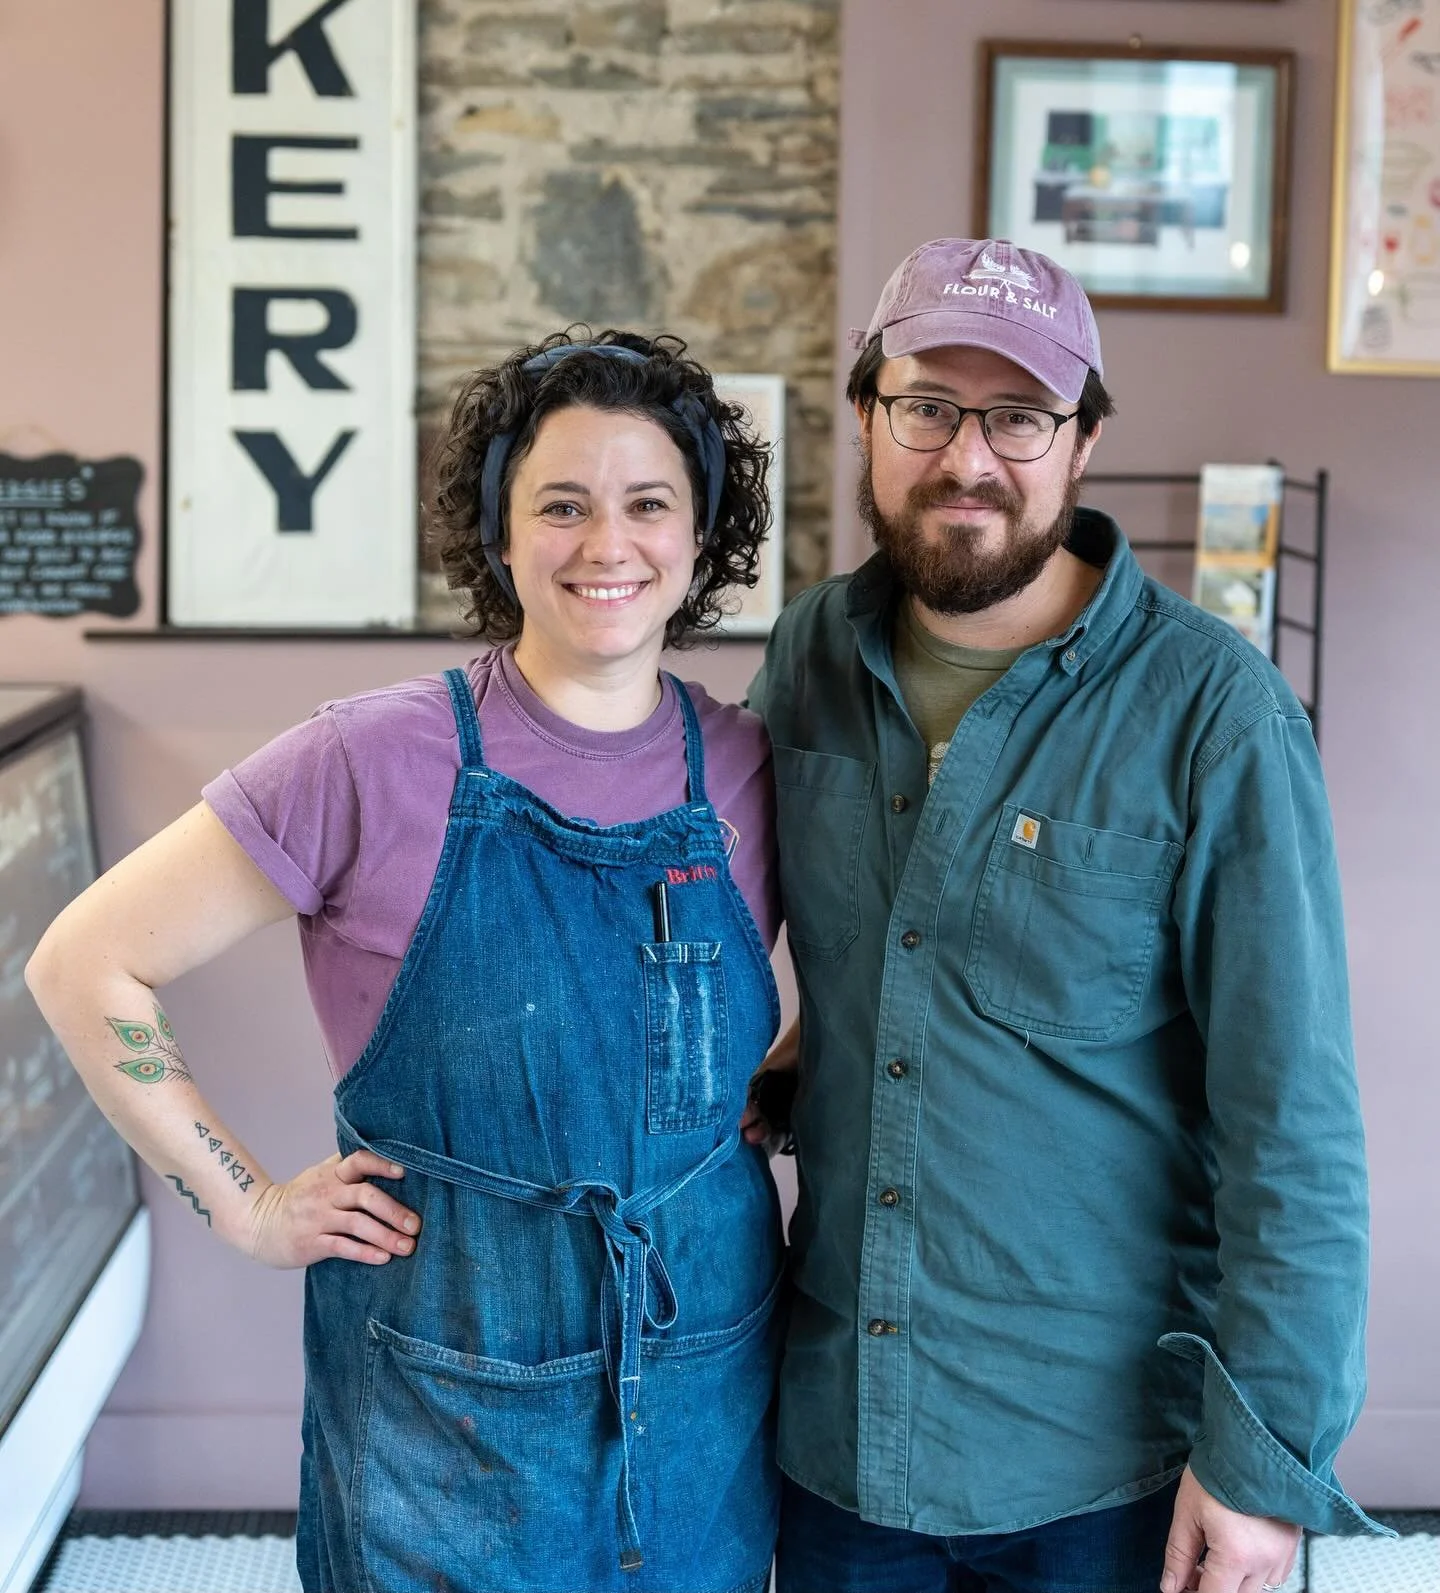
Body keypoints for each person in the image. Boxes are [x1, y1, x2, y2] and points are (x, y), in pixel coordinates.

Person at [27, 330, 787, 1593]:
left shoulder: (754, 767)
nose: (609, 545)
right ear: (497, 536)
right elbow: (83, 963)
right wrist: (247, 1202)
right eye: (561, 504)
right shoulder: (365, 761)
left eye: (650, 503)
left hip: (700, 1385)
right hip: (444, 1408)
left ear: (700, 537)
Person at [744, 238, 1389, 1593]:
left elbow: (1297, 1129)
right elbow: (882, 938)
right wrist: (802, 1043)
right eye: (927, 405)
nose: (968, 457)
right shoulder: (807, 653)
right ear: (865, 414)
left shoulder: (1217, 712)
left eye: (1021, 415)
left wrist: (1263, 1464)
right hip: (836, 1433)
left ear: (1082, 440)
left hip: (1102, 1468)